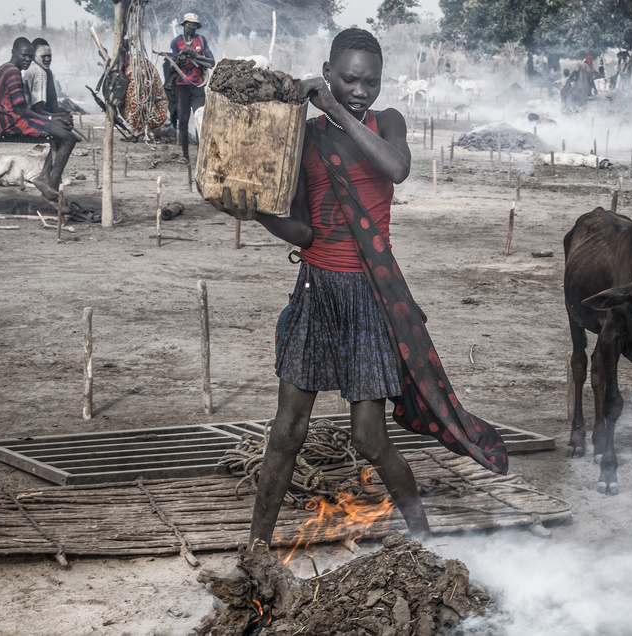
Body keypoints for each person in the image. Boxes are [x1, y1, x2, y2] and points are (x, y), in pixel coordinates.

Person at [209, 28, 509, 548]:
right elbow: (302, 229)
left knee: (370, 438)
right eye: (348, 79)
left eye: (369, 82)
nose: (359, 89)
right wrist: (253, 213)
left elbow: (397, 168)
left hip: (371, 299)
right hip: (318, 292)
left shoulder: (387, 123)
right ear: (328, 71)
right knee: (286, 432)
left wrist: (336, 110)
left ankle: (424, 542)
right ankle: (255, 548)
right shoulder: (303, 135)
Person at [0, 37, 75, 201]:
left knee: (62, 132)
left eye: (30, 56)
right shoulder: (13, 73)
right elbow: (23, 111)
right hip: (11, 123)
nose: (27, 59)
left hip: (3, 120)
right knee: (69, 138)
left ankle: (44, 176)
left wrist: (51, 119)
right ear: (13, 52)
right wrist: (50, 118)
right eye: (24, 55)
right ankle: (50, 182)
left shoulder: (4, 68)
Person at [166, 12, 215, 164]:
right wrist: (180, 59)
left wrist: (196, 57)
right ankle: (185, 156)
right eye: (189, 25)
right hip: (182, 86)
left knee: (200, 119)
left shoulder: (201, 40)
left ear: (197, 27)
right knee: (183, 121)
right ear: (184, 26)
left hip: (198, 85)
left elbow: (211, 62)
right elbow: (171, 67)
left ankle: (202, 155)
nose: (191, 28)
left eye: (194, 25)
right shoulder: (176, 42)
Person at [22, 37, 62, 117]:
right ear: (33, 56)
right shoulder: (39, 72)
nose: (47, 59)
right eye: (43, 56)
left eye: (49, 56)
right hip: (29, 117)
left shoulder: (39, 69)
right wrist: (56, 117)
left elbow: (53, 106)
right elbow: (38, 110)